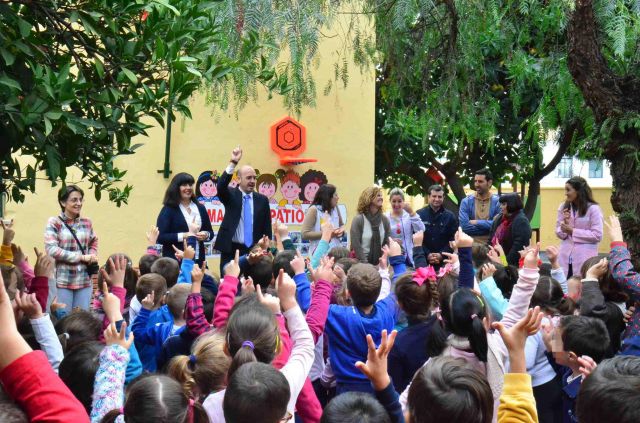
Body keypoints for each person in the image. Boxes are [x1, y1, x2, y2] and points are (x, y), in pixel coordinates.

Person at [215, 146, 272, 275]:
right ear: (239, 179)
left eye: (254, 178)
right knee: (230, 283)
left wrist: (266, 248)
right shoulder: (230, 194)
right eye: (248, 178)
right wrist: (233, 162)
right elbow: (220, 186)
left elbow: (266, 227)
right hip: (231, 249)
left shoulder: (262, 200)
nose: (252, 181)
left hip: (253, 250)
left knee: (251, 285)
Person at [44, 185, 98, 310]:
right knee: (63, 321)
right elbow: (52, 250)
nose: (78, 203)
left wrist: (92, 255)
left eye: (80, 199)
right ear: (63, 202)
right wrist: (82, 257)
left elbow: (94, 241)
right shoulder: (54, 222)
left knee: (81, 322)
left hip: (84, 280)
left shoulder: (87, 222)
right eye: (74, 200)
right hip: (62, 281)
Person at [156, 172, 214, 266]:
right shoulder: (168, 209)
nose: (188, 188)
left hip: (198, 260)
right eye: (184, 185)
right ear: (176, 188)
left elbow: (210, 233)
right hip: (175, 262)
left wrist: (206, 235)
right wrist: (184, 235)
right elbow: (161, 236)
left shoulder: (200, 208)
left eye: (190, 185)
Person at [555, 176, 603, 277]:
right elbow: (560, 234)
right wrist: (565, 223)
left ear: (579, 191)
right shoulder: (563, 207)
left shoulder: (593, 209)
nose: (565, 193)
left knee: (581, 289)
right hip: (565, 258)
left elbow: (597, 235)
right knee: (564, 288)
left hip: (584, 259)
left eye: (568, 190)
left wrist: (573, 231)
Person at [417, 184, 457, 268]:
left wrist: (441, 255)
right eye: (434, 196)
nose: (437, 199)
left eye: (440, 197)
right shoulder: (419, 215)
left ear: (443, 198)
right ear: (428, 197)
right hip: (423, 261)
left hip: (445, 262)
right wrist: (427, 254)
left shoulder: (450, 216)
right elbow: (415, 237)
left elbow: (453, 239)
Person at [350, 187, 391, 265]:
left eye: (381, 196)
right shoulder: (359, 220)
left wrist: (382, 262)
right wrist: (366, 265)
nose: (381, 198)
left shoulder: (385, 220)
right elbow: (356, 245)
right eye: (378, 195)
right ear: (369, 198)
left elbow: (386, 243)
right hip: (360, 264)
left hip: (380, 265)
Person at [301, 184, 345, 256]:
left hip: (336, 253)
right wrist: (328, 234)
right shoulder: (314, 210)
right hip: (319, 254)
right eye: (335, 195)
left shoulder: (335, 208)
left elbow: (341, 225)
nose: (338, 198)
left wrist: (341, 232)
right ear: (328, 197)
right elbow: (304, 234)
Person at [488, 193, 531, 267]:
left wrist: (504, 264)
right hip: (496, 261)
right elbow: (490, 238)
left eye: (504, 204)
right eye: (501, 204)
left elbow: (517, 249)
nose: (501, 207)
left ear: (512, 204)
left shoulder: (521, 221)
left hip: (510, 266)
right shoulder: (499, 218)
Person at [458, 169, 500, 243]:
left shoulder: (498, 202)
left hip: (492, 246)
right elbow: (464, 227)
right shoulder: (466, 201)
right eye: (475, 181)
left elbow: (498, 225)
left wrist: (476, 222)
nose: (476, 184)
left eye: (480, 181)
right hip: (470, 246)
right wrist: (489, 226)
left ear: (489, 183)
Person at [385, 188, 425, 266]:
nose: (396, 204)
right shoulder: (385, 217)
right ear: (390, 201)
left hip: (409, 256)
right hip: (393, 256)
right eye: (394, 201)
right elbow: (380, 237)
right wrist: (390, 240)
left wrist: (412, 213)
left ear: (403, 202)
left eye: (399, 201)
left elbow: (421, 229)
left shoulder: (408, 215)